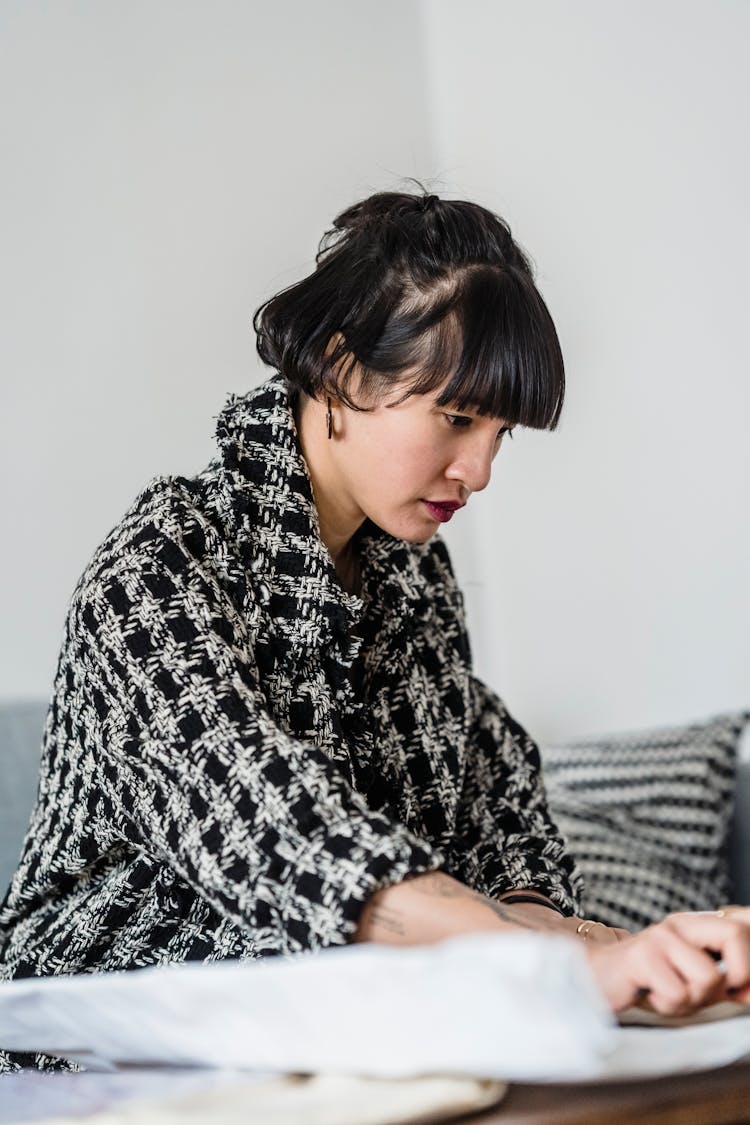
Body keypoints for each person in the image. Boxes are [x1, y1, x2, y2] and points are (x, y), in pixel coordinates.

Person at [2, 188, 749, 1073]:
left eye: (501, 434)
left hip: (340, 1008)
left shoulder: (413, 577)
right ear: (341, 368)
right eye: (459, 417)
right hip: (106, 1022)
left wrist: (633, 952)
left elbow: (492, 810)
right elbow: (278, 834)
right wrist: (559, 964)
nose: (477, 470)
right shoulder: (160, 564)